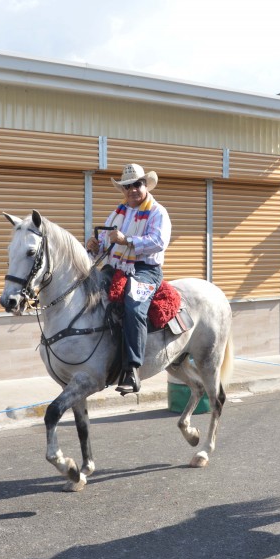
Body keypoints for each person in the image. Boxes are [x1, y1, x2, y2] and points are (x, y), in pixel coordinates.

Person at [86, 163, 171, 395]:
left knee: (134, 308)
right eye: (128, 186)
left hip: (145, 270)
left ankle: (132, 370)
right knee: (87, 294)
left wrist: (128, 240)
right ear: (123, 190)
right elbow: (104, 241)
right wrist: (93, 246)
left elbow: (159, 241)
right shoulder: (117, 213)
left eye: (137, 184)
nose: (133, 189)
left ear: (145, 185)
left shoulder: (157, 212)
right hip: (116, 267)